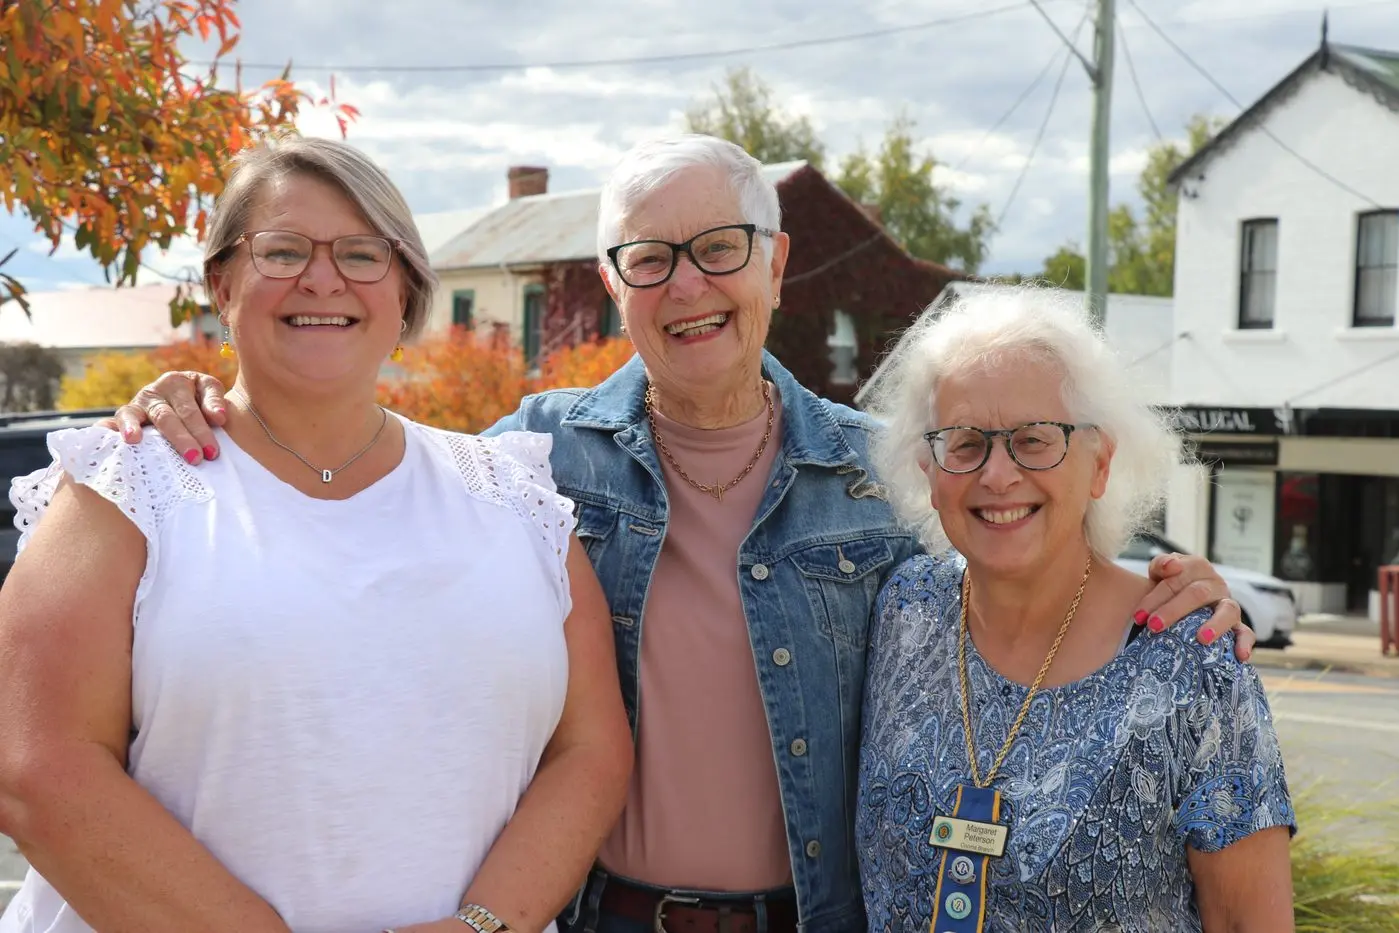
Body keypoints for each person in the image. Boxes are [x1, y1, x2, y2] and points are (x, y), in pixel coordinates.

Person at [104, 134, 1252, 933]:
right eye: (647, 259)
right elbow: (357, 450)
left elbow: (1014, 559)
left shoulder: (880, 471)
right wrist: (199, 401)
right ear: (614, 284)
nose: (685, 284)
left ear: (774, 260)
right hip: (602, 916)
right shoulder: (528, 461)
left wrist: (1163, 581)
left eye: (717, 247)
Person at [0, 136, 632, 933]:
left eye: (363, 253)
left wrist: (483, 924)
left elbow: (590, 750)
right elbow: (35, 766)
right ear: (221, 284)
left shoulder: (513, 495)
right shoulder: (123, 486)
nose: (323, 277)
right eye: (284, 249)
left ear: (406, 292)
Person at [859, 286, 1295, 932]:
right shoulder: (904, 609)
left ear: (1099, 462)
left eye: (1035, 439)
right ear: (928, 466)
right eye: (965, 441)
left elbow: (1245, 920)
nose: (998, 474)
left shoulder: (1190, 663)